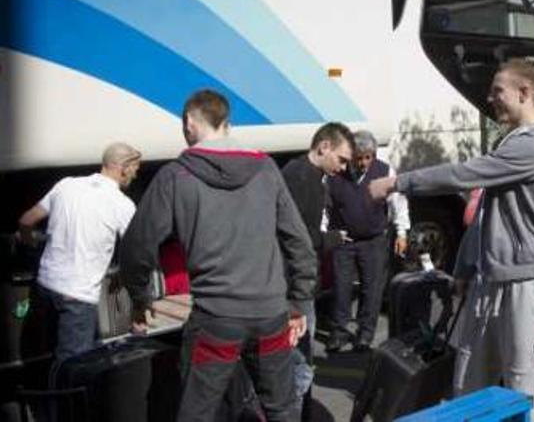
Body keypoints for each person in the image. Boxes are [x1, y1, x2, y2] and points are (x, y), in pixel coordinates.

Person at [369, 58, 534, 422]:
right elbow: (487, 217)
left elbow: (462, 173)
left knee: (526, 383)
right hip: (488, 279)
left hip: (524, 282)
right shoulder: (514, 143)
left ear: (524, 93)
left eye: (498, 90)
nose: (490, 98)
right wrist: (463, 267)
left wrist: (398, 183)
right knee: (470, 377)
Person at [119, 90, 317, 422]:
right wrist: (297, 302)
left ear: (189, 123)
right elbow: (300, 243)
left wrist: (140, 297)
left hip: (216, 321)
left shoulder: (175, 176)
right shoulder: (266, 169)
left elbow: (137, 247)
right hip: (270, 316)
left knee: (198, 413)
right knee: (281, 409)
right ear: (227, 123)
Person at [17, 142, 141, 362]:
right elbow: (138, 253)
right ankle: (62, 397)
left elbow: (26, 221)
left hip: (45, 285)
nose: (135, 175)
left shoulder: (66, 185)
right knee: (73, 368)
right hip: (78, 295)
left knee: (46, 356)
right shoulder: (122, 205)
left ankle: (42, 395)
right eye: (135, 169)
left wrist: (30, 243)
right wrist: (138, 303)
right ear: (124, 167)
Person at [279, 121, 354, 419]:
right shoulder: (300, 177)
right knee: (298, 365)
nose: (344, 167)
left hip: (297, 284)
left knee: (300, 364)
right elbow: (297, 236)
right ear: (324, 147)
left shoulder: (308, 175)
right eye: (342, 159)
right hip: (294, 288)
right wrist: (332, 239)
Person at [325, 130, 410, 352]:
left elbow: (397, 203)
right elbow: (325, 209)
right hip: (344, 240)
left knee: (371, 289)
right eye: (359, 157)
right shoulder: (335, 174)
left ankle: (365, 333)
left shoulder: (384, 171)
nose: (363, 163)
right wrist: (325, 236)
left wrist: (402, 232)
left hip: (373, 240)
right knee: (341, 288)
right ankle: (339, 332)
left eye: (368, 157)